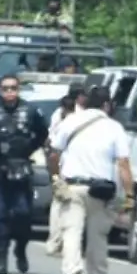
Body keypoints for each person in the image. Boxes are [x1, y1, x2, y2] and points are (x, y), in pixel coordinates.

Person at [47, 83, 126, 274]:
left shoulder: (70, 121)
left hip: (72, 186)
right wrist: (129, 194)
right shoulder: (114, 128)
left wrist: (56, 178)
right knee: (97, 236)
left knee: (71, 232)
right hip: (100, 190)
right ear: (107, 105)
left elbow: (53, 154)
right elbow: (124, 165)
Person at [0, 73, 47, 274]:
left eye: (13, 88)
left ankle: (20, 250)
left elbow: (43, 132)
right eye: (5, 88)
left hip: (22, 168)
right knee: (0, 216)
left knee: (23, 214)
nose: (9, 92)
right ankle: (1, 259)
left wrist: (30, 146)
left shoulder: (30, 111)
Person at [44, 88, 84, 257]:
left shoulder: (58, 114)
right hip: (68, 165)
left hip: (59, 163)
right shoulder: (79, 118)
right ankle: (61, 242)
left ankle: (55, 241)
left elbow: (50, 140)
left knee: (59, 203)